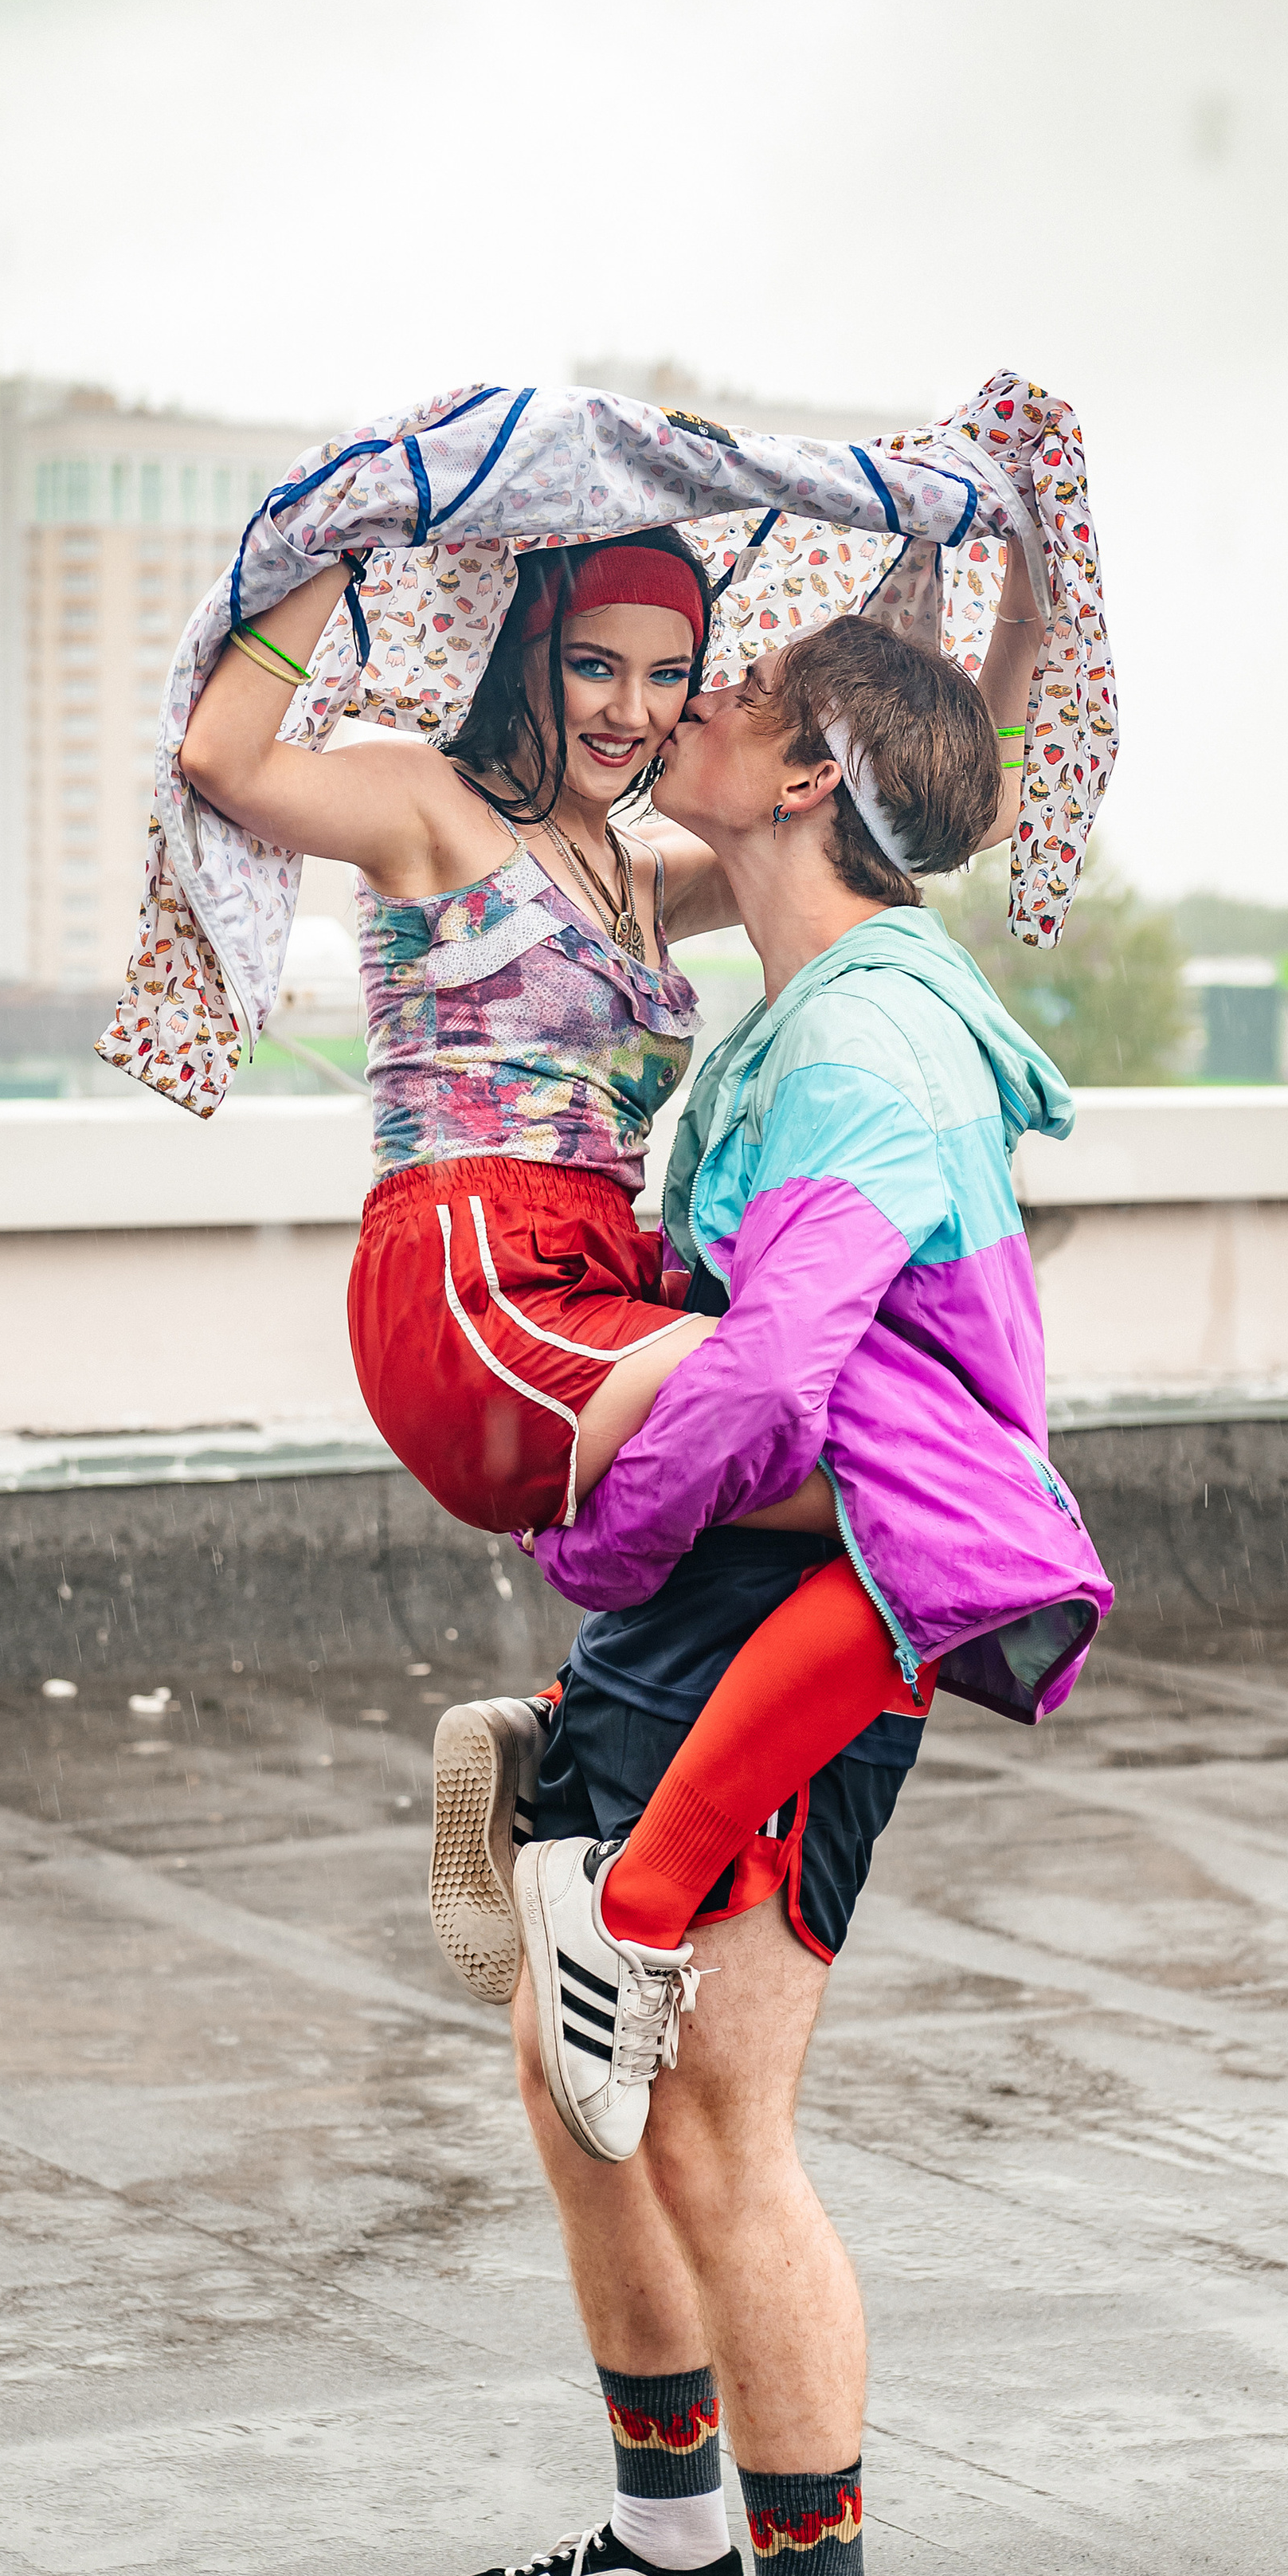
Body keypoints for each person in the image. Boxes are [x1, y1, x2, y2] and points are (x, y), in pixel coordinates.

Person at [401, 612, 1110, 2576]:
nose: (685, 702)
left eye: (731, 693)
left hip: (798, 1602)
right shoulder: (801, 1001)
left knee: (712, 2112)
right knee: (577, 2075)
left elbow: (783, 1374)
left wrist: (599, 1528)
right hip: (717, 1595)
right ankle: (666, 2542)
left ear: (807, 774)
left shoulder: (865, 1044)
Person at [178, 526, 1068, 2155]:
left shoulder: (638, 873)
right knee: (924, 1510)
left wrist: (1006, 593)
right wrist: (343, 535)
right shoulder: (435, 809)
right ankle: (620, 1883)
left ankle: (559, 1735)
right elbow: (223, 761)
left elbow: (906, 816)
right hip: (475, 1290)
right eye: (595, 664)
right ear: (528, 652)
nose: (633, 708)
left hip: (598, 1276)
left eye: (670, 676)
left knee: (899, 1507)